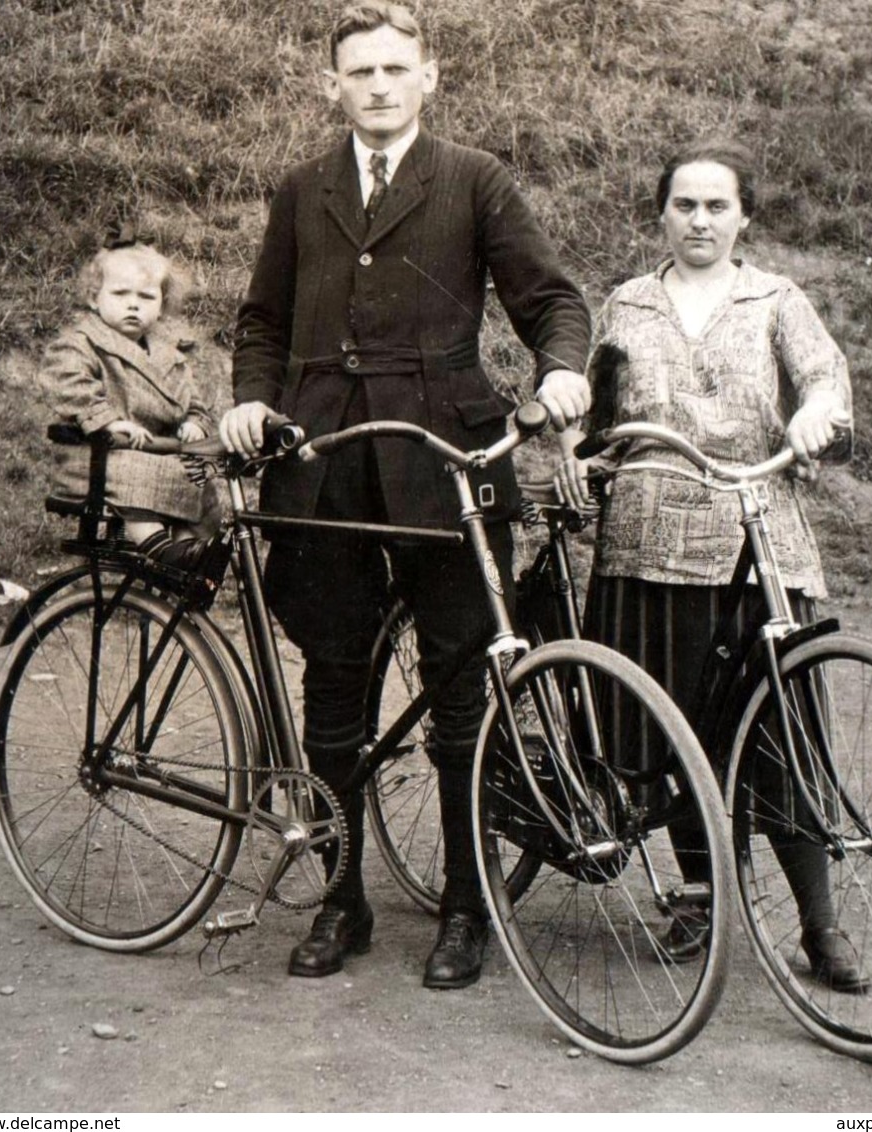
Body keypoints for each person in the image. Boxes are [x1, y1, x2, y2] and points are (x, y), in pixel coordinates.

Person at [220, 3, 591, 989]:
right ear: (330, 84)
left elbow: (551, 300)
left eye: (395, 68)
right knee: (333, 688)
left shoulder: (474, 180)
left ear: (431, 76)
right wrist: (252, 401)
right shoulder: (303, 191)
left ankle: (466, 908)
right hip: (324, 466)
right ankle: (340, 901)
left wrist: (562, 373)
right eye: (359, 71)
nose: (377, 86)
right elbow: (261, 316)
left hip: (446, 467)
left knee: (464, 699)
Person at [554, 139, 868, 992]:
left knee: (781, 733)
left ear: (744, 217)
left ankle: (820, 922)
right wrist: (582, 462)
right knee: (669, 729)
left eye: (717, 206)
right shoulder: (627, 306)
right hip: (647, 543)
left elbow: (824, 382)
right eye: (684, 205)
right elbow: (597, 421)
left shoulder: (777, 299)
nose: (700, 220)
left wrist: (815, 417)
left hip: (755, 540)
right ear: (661, 213)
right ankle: (696, 891)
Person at [44, 228, 219, 569]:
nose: (133, 304)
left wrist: (194, 422)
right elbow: (68, 384)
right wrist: (109, 419)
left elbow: (193, 400)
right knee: (138, 475)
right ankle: (163, 552)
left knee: (199, 477)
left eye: (146, 297)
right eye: (120, 293)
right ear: (95, 298)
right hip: (98, 456)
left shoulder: (169, 353)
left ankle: (189, 556)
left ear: (162, 306)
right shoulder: (80, 343)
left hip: (154, 454)